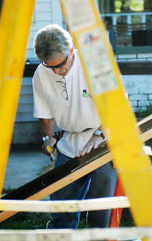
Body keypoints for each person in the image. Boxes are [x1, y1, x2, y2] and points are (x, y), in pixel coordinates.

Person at [32, 24, 117, 229]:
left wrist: (100, 134)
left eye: (61, 65)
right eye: (51, 66)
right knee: (62, 207)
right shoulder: (41, 75)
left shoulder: (94, 63)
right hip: (68, 142)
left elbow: (115, 104)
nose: (57, 71)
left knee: (101, 208)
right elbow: (44, 116)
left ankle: (99, 233)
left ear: (71, 51)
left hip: (102, 138)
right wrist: (48, 140)